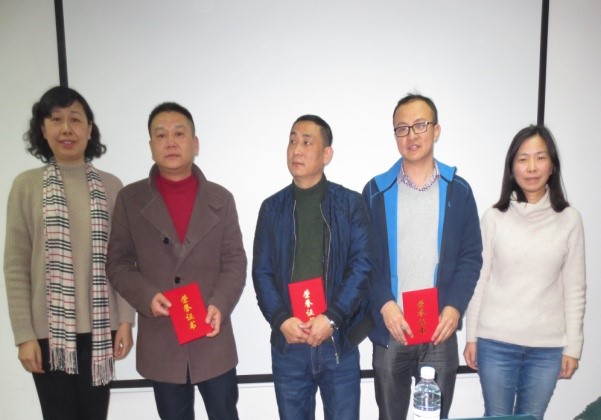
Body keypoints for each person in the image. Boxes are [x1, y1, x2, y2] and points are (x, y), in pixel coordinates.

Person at [107, 102, 246, 420]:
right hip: (162, 338)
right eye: (161, 135)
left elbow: (235, 261)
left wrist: (220, 304)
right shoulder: (130, 200)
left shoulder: (221, 199)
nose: (170, 141)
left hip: (212, 335)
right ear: (151, 146)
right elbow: (118, 263)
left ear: (195, 144)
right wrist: (146, 296)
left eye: (179, 133)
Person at [4, 86, 135, 420]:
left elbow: (123, 261)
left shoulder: (112, 186)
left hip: (100, 331)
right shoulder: (26, 186)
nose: (66, 129)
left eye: (75, 120)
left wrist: (125, 321)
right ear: (43, 129)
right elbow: (15, 266)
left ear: (89, 129)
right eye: (56, 119)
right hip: (47, 336)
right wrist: (24, 336)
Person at [363, 93, 483, 419]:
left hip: (439, 330)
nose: (411, 135)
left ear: (436, 130)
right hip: (392, 328)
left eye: (420, 125)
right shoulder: (375, 191)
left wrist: (454, 308)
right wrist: (385, 305)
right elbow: (364, 260)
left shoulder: (459, 190)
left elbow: (471, 257)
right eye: (401, 128)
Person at [252, 115, 373, 420]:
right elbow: (262, 272)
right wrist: (281, 319)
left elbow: (362, 267)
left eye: (307, 142)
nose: (296, 149)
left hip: (337, 341)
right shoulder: (272, 208)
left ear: (326, 153)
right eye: (292, 141)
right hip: (289, 344)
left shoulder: (350, 204)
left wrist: (332, 317)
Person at [463, 125, 586, 420]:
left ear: (552, 165)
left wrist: (573, 348)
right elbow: (479, 280)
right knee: (497, 417)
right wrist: (471, 337)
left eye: (540, 158)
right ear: (512, 168)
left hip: (547, 349)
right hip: (495, 343)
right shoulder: (494, 218)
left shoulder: (569, 220)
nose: (532, 167)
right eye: (523, 159)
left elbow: (575, 289)